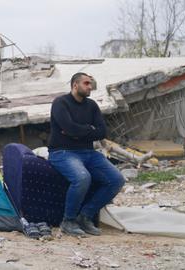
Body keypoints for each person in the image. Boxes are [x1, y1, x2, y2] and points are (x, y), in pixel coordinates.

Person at [48, 72, 125, 236]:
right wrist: (88, 129)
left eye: (90, 83)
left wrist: (77, 132)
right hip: (62, 152)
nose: (90, 87)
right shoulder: (60, 103)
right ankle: (68, 221)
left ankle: (85, 216)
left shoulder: (91, 105)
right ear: (75, 85)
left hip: (88, 152)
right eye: (86, 83)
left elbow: (102, 132)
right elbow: (69, 128)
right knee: (82, 178)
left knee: (116, 179)